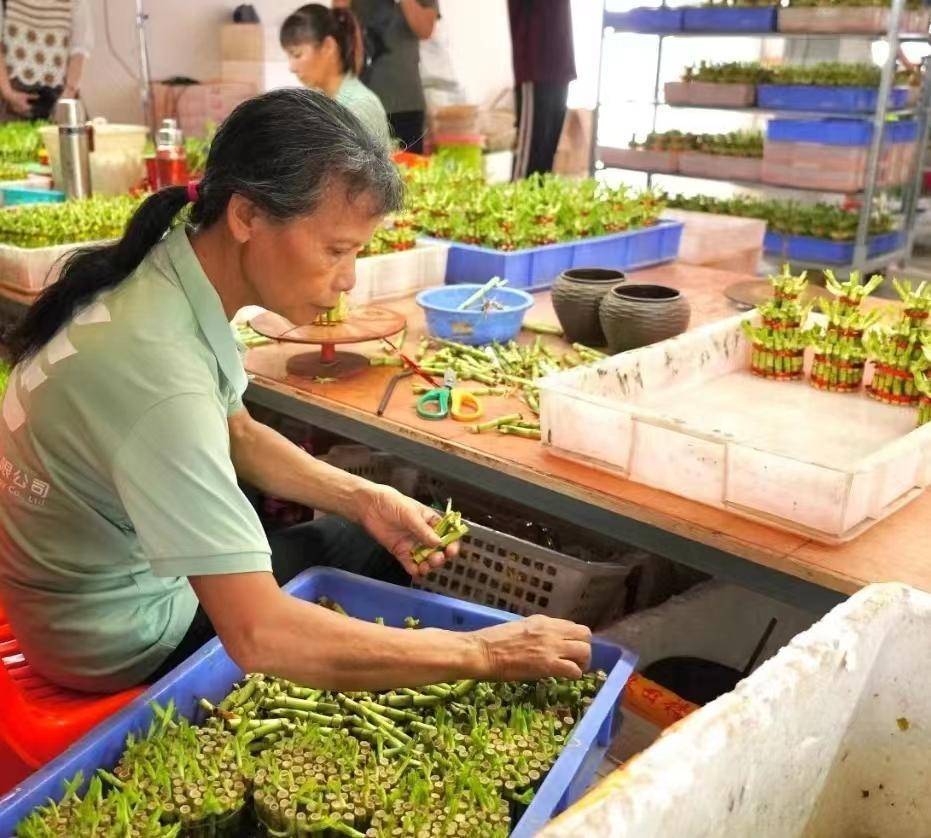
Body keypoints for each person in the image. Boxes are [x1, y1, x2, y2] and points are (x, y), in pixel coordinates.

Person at [0, 88, 592, 694]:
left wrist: (365, 498)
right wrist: (482, 653)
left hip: (67, 604)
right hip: (115, 641)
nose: (349, 278)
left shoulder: (165, 272)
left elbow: (236, 431)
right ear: (247, 216)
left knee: (366, 526)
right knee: (368, 556)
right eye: (336, 250)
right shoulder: (161, 376)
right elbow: (260, 635)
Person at [281, 4, 391, 149]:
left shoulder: (359, 106)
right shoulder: (319, 102)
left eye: (297, 55)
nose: (292, 67)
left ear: (328, 47)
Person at [343, 0, 438, 153]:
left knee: (409, 172)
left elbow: (425, 30)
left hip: (405, 103)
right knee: (362, 172)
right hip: (359, 103)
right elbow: (337, 29)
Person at [508, 0, 576, 179]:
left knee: (546, 160)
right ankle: (517, 205)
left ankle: (538, 205)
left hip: (560, 67)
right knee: (530, 158)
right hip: (535, 68)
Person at [0, 0, 93, 120]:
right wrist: (7, 93)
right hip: (11, 92)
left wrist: (68, 95)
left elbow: (80, 49)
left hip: (57, 94)